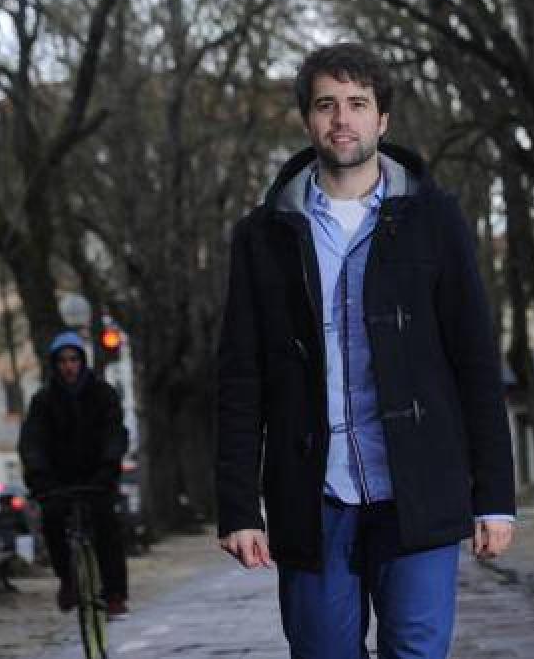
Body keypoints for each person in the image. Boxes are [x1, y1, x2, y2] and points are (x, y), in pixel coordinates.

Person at [216, 42, 515, 658]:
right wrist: (238, 507)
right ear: (308, 120)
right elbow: (240, 380)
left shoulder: (435, 220)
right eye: (326, 104)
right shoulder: (262, 236)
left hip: (418, 488)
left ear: (382, 119)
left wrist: (494, 498)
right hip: (313, 496)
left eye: (357, 103)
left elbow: (476, 365)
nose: (342, 119)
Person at [19, 330, 129, 617]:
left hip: (97, 476)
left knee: (106, 525)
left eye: (74, 359)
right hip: (59, 480)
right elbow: (33, 441)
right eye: (62, 361)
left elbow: (114, 432)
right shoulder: (43, 400)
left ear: (82, 361)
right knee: (53, 520)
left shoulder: (103, 394)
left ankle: (115, 593)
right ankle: (68, 580)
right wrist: (39, 475)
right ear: (54, 365)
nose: (69, 366)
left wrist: (109, 466)